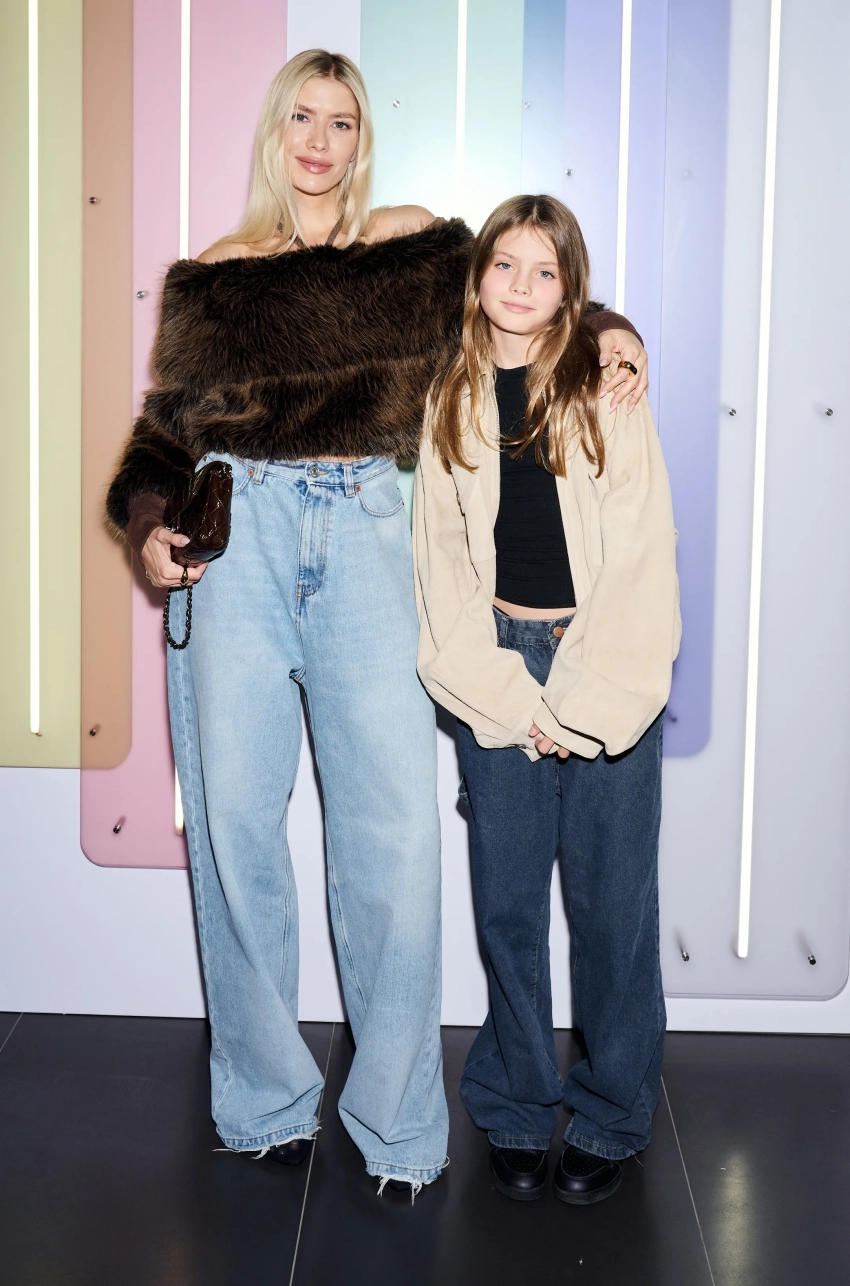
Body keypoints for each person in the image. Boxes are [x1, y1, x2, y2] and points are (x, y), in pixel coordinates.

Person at [106, 50, 649, 1198]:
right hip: (236, 548)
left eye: (341, 121)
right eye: (300, 117)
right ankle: (263, 1101)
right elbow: (160, 440)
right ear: (274, 132)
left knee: (394, 837)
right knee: (235, 831)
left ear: (361, 140)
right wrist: (150, 528)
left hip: (365, 531)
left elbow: (519, 297)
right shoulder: (214, 275)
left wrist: (609, 331)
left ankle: (399, 1125)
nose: (318, 141)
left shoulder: (413, 250)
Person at [414, 194, 680, 1204]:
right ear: (477, 273)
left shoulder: (604, 383)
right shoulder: (450, 393)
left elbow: (643, 555)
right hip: (498, 660)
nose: (521, 286)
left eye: (545, 270)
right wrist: (508, 698)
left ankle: (611, 1111)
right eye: (504, 265)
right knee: (510, 907)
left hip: (603, 657)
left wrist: (580, 703)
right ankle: (518, 1102)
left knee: (614, 909)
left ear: (572, 287)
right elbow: (439, 564)